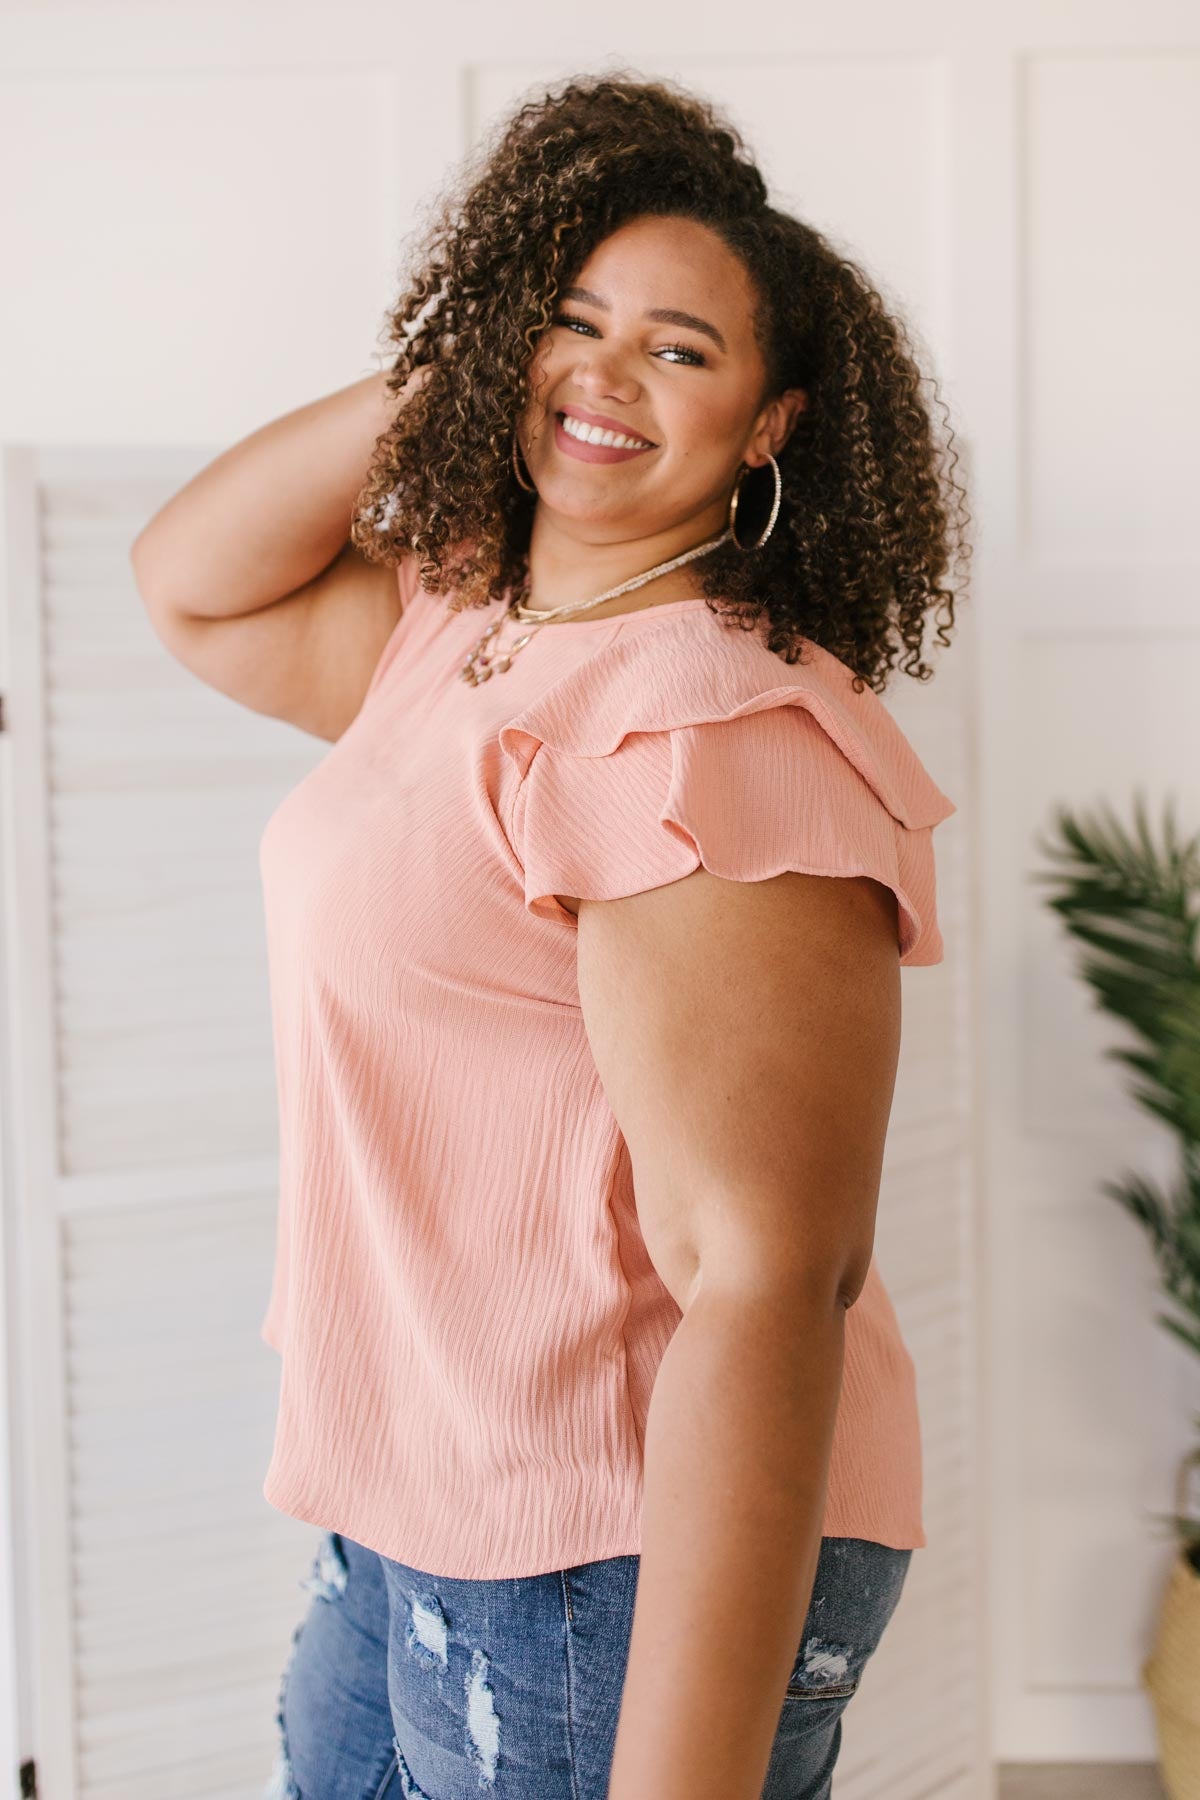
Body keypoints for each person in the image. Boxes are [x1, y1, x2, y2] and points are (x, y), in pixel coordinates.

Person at [131, 68, 968, 1800]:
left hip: (612, 1555)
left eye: (679, 349)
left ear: (772, 423)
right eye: (574, 320)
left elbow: (768, 1284)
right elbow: (190, 581)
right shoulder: (470, 623)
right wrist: (495, 352)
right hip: (427, 1494)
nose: (605, 372)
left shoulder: (704, 723)